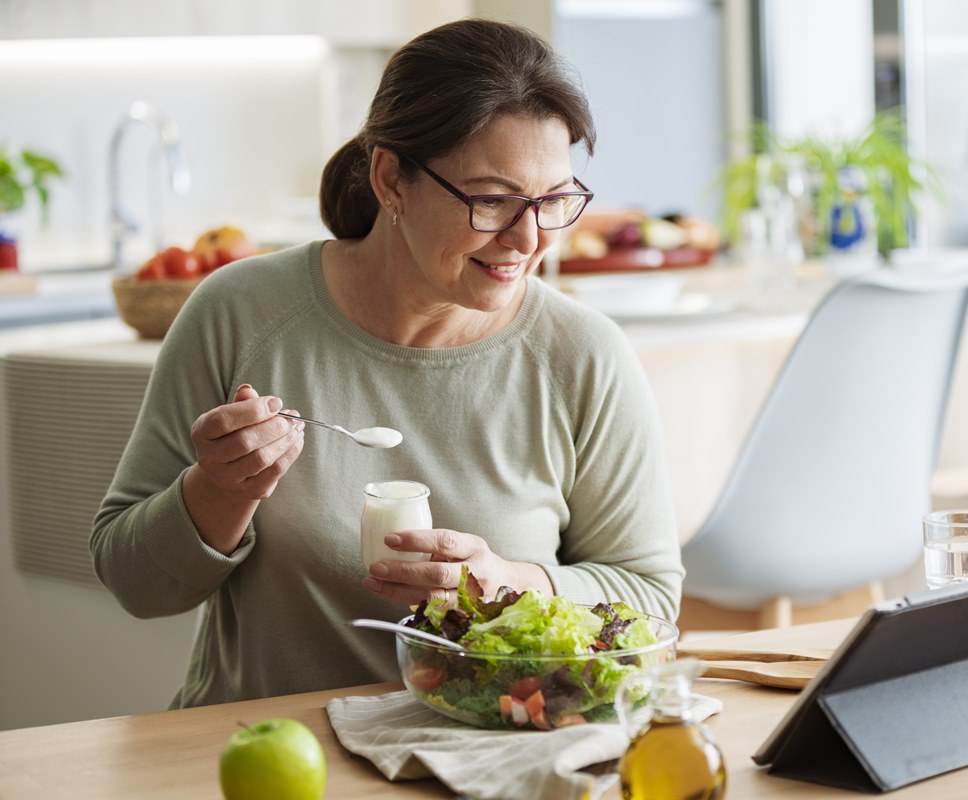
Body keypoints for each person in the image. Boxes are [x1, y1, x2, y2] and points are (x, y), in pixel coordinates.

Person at [91, 18, 683, 709]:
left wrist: (514, 583)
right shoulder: (240, 313)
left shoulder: (583, 354)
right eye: (492, 199)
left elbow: (653, 608)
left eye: (552, 201)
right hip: (270, 759)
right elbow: (135, 585)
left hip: (492, 758)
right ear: (390, 179)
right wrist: (217, 491)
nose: (528, 239)